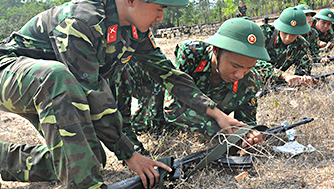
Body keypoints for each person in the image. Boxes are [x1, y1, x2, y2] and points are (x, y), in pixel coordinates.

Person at [0, 0, 247, 189]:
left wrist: (216, 113)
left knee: (89, 160)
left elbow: (169, 74)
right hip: (0, 71)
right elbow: (91, 91)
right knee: (57, 77)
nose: (161, 17)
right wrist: (130, 153)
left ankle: (1, 157)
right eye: (159, 8)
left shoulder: (134, 30)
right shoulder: (83, 22)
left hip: (50, 85)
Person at [111, 17, 270, 147]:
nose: (240, 74)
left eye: (248, 67)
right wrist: (219, 129)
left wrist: (250, 135)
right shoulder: (193, 54)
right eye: (235, 66)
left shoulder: (251, 81)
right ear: (216, 50)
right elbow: (172, 109)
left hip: (191, 133)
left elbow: (246, 124)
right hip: (154, 123)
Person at [256, 7, 314, 87]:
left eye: (293, 34)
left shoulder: (302, 45)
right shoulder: (264, 34)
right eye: (285, 32)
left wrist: (302, 80)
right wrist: (283, 75)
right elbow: (252, 62)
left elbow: (303, 71)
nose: (288, 37)